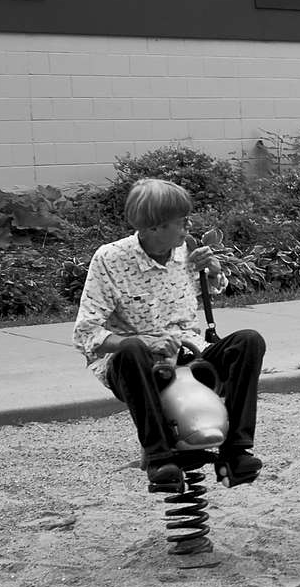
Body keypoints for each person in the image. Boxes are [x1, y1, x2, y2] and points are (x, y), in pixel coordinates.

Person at [73, 178, 265, 491]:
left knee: (249, 340)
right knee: (132, 349)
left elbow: (212, 289)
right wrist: (144, 342)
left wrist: (214, 271)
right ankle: (159, 456)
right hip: (138, 364)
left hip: (190, 352)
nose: (188, 228)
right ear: (154, 227)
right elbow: (86, 333)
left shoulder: (185, 250)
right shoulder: (110, 260)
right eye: (182, 222)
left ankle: (236, 451)